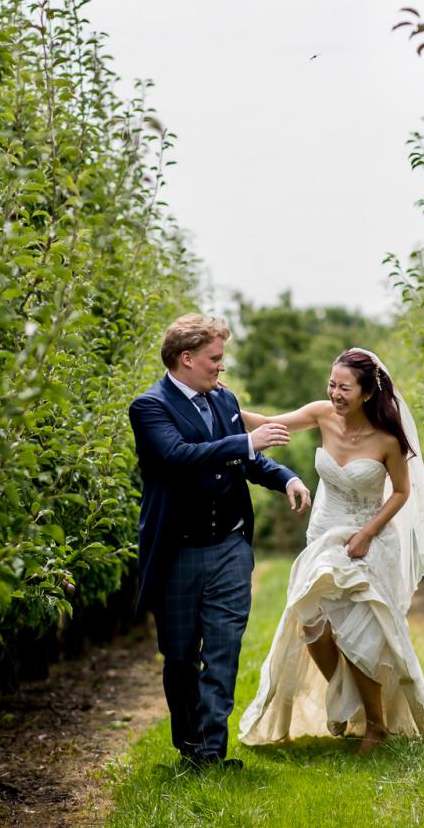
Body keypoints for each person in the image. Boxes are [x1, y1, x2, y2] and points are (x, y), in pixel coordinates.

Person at [236, 348, 424, 752]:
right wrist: (224, 402)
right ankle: (345, 698)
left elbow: (400, 492)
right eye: (331, 385)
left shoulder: (388, 439)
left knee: (358, 633)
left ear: (366, 393)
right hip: (324, 532)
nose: (335, 394)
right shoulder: (322, 414)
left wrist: (365, 534)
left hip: (370, 536)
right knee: (311, 620)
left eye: (344, 387)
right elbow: (268, 424)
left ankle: (376, 725)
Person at [128, 313, 312, 770]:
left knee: (225, 651)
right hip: (177, 552)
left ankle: (212, 752)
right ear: (186, 359)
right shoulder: (149, 407)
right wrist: (245, 443)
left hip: (230, 547)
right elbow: (175, 457)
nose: (221, 368)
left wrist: (285, 476)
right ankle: (189, 746)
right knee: (180, 657)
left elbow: (250, 463)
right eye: (215, 358)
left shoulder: (224, 399)